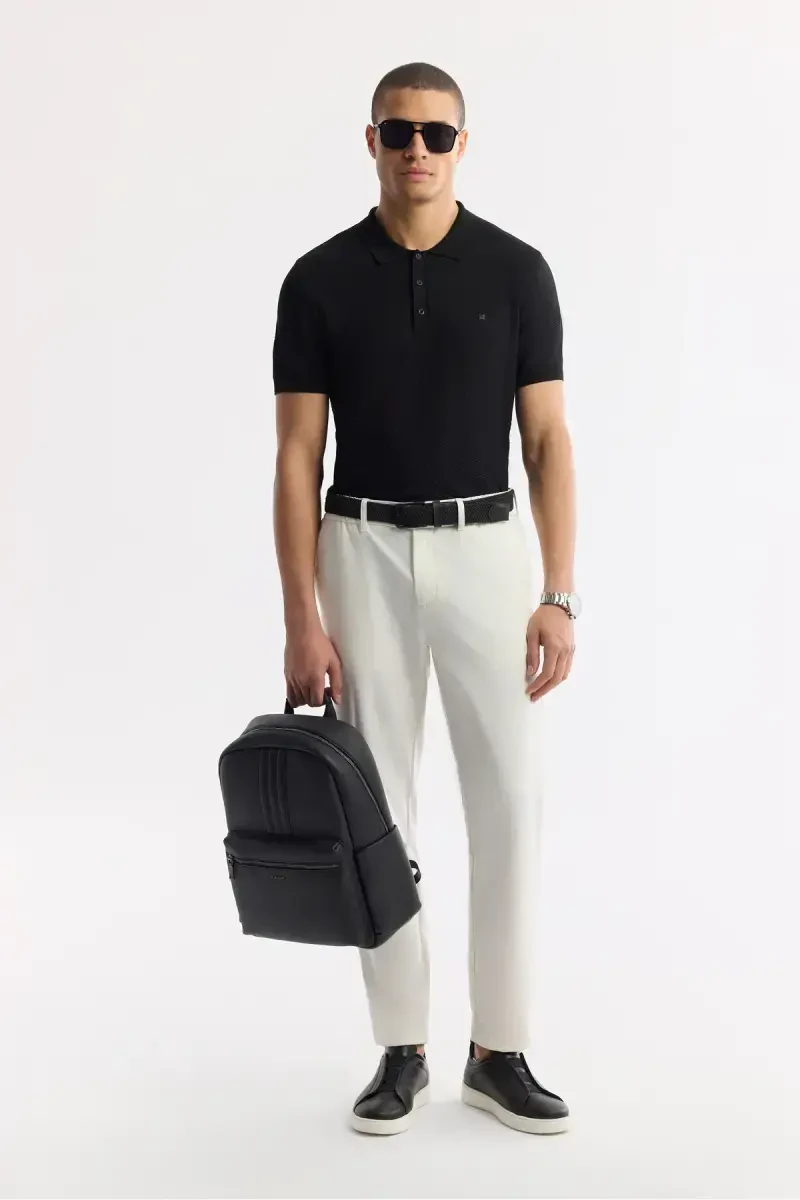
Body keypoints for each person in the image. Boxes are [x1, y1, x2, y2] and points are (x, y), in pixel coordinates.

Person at [271, 61, 580, 1136]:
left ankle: (500, 1050)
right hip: (359, 547)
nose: (416, 150)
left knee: (509, 802)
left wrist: (559, 592)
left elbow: (547, 439)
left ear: (461, 144)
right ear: (370, 140)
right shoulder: (317, 280)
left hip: (487, 548)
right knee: (380, 812)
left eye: (436, 134)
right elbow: (296, 455)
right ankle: (400, 1046)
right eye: (398, 132)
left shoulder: (517, 270)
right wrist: (302, 616)